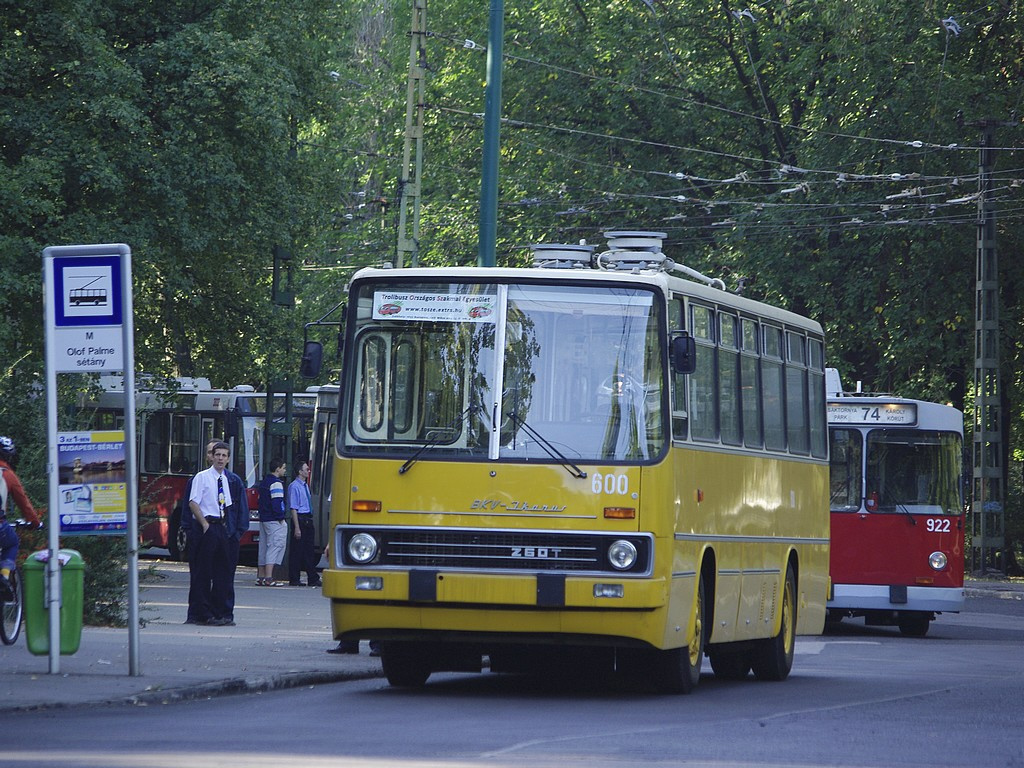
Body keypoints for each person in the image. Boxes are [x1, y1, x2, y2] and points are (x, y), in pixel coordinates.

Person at [183, 440, 248, 624]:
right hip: (208, 526)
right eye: (217, 454)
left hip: (224, 527)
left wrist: (235, 532)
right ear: (211, 456)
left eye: (224, 455)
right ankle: (203, 613)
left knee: (224, 573)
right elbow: (192, 502)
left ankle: (223, 613)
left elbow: (233, 507)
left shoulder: (231, 480)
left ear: (228, 459)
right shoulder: (201, 477)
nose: (220, 458)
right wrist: (204, 525)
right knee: (203, 573)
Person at [0, 436, 42, 601]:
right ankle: (4, 577)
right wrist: (35, 522)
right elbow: (23, 503)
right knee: (12, 542)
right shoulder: (7, 475)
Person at [287, 460, 321, 587]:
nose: (308, 471)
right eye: (306, 469)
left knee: (308, 550)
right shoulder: (294, 486)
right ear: (300, 472)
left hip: (308, 518)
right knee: (297, 551)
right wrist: (297, 527)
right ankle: (294, 578)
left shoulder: (305, 486)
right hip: (300, 519)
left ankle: (312, 577)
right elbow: (294, 508)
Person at [256, 457, 288, 586]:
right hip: (274, 520)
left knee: (263, 547)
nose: (285, 470)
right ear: (278, 469)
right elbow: (277, 503)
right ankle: (269, 578)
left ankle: (261, 576)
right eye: (283, 468)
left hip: (264, 519)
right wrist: (280, 518)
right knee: (275, 546)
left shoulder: (264, 482)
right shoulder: (276, 483)